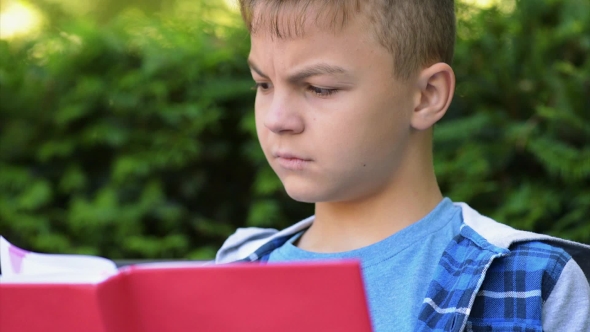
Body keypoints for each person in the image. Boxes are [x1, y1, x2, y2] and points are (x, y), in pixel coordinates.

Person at [215, 0, 590, 331]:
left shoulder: (532, 284)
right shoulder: (231, 272)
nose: (276, 119)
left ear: (426, 96)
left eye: (320, 88)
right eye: (262, 84)